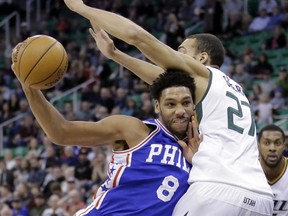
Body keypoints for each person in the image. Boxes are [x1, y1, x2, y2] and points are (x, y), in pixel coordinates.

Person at [62, 0, 274, 215]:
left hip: (217, 190)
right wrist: (115, 54)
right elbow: (160, 80)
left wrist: (81, 8)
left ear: (202, 58)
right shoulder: (234, 91)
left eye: (181, 51)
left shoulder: (203, 76)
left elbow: (137, 37)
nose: (175, 54)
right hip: (261, 198)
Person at [10, 49, 200, 216]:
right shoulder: (135, 130)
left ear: (194, 105)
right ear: (157, 106)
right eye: (170, 104)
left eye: (186, 103)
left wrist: (198, 162)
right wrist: (29, 87)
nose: (180, 111)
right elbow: (61, 132)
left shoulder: (199, 153)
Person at [258, 124, 288, 215]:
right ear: (258, 145)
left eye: (277, 143)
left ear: (284, 145)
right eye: (266, 143)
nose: (272, 148)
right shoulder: (247, 171)